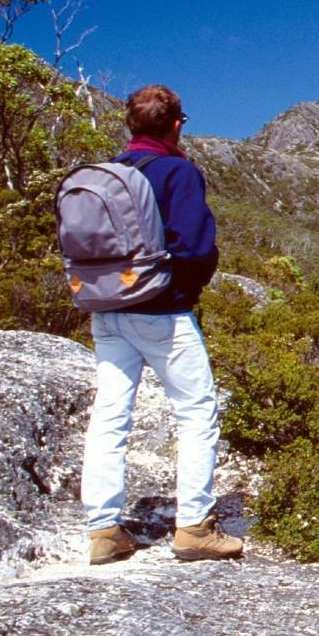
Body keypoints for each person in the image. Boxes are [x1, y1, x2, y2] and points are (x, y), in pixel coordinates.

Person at [81, 84, 243, 564]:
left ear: (131, 126)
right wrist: (186, 290)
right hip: (162, 312)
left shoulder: (108, 173)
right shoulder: (178, 172)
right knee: (196, 413)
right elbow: (195, 247)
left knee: (110, 416)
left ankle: (103, 531)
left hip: (107, 308)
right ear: (175, 124)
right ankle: (193, 527)